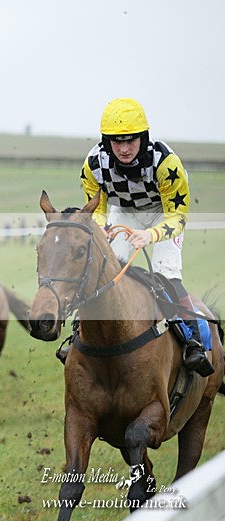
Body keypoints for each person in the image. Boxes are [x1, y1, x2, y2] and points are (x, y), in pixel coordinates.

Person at [79, 97, 214, 377]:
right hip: (123, 211)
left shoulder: (167, 164)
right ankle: (77, 335)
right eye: (117, 141)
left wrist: (149, 235)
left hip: (163, 214)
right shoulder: (92, 165)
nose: (124, 148)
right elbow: (97, 210)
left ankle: (193, 341)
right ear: (106, 142)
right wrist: (102, 228)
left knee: (168, 276)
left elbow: (177, 217)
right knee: (104, 271)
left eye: (131, 140)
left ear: (143, 138)